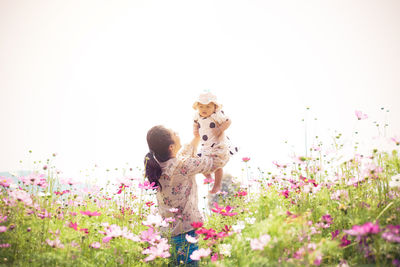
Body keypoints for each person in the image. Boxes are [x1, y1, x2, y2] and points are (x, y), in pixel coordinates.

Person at [144, 125, 223, 265]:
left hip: (165, 236)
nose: (178, 133)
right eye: (175, 132)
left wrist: (197, 136)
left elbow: (183, 155)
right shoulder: (182, 166)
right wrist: (218, 138)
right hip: (186, 235)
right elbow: (214, 162)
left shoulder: (156, 167)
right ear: (171, 147)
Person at [192, 91, 238, 194]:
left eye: (208, 107)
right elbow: (195, 123)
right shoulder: (197, 116)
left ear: (214, 107)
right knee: (198, 160)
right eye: (201, 106)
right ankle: (208, 176)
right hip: (206, 146)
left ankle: (217, 185)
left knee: (218, 165)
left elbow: (228, 121)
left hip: (218, 144)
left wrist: (221, 128)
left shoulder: (216, 115)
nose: (204, 109)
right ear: (197, 106)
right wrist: (195, 129)